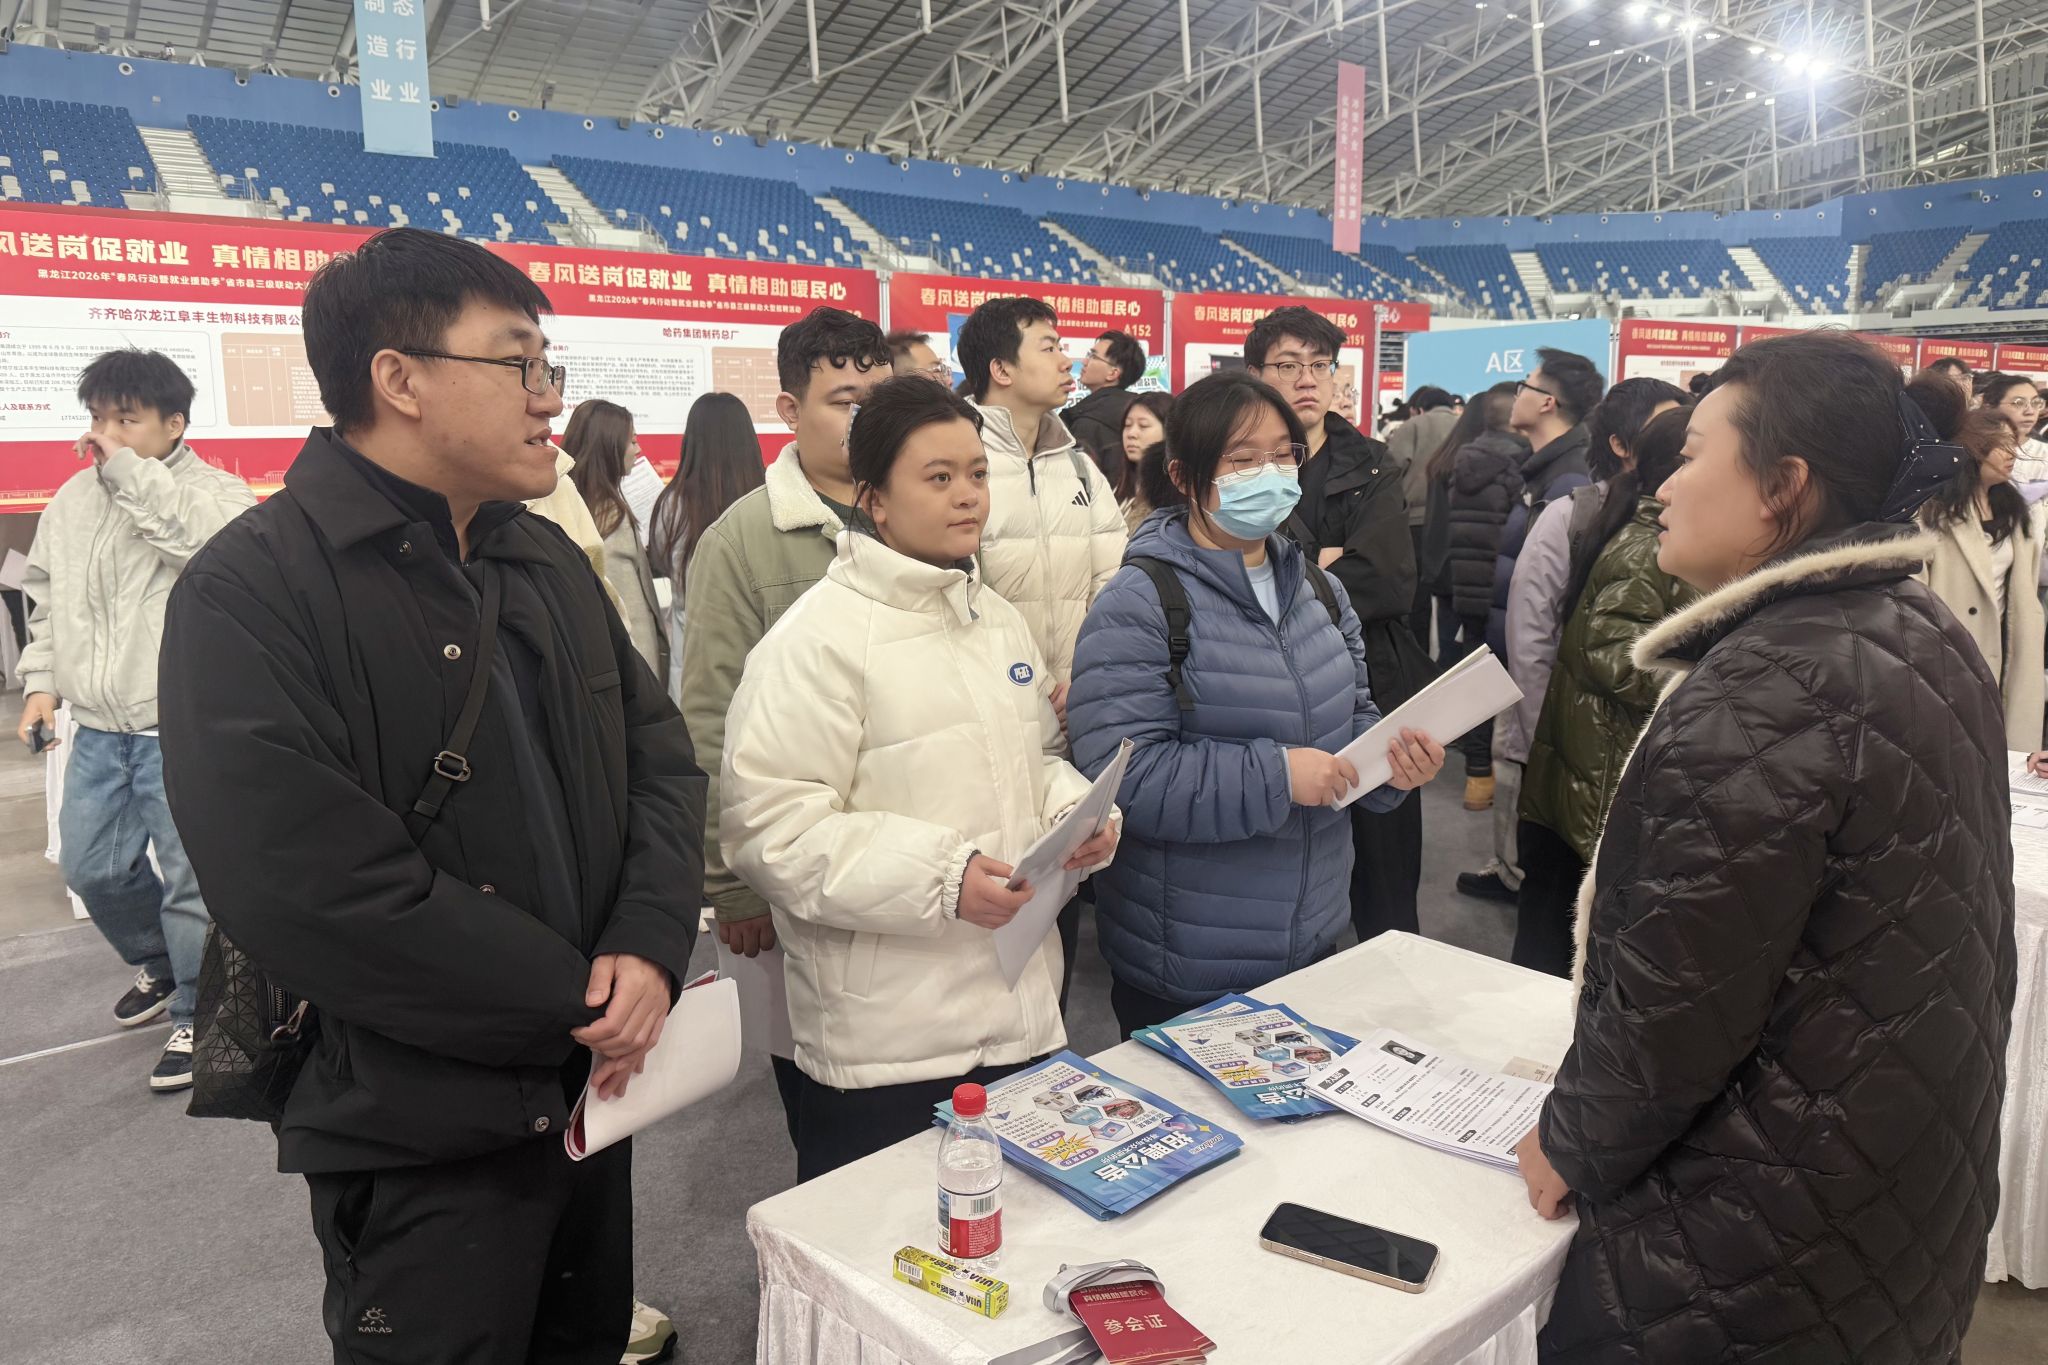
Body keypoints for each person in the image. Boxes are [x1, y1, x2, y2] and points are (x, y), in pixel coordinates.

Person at [156, 227, 704, 1365]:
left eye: (548, 363)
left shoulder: (541, 561)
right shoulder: (250, 589)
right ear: (398, 379)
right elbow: (304, 885)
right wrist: (576, 994)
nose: (549, 396)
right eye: (518, 362)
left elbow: (657, 759)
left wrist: (648, 946)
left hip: (593, 1089)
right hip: (420, 1132)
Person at [1516, 330, 2013, 1364]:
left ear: (1782, 487)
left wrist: (1574, 1138)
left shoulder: (1766, 690)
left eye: (1694, 456)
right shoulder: (1916, 628)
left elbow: (1679, 1000)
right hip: (1882, 1184)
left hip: (1751, 1235)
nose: (1663, 486)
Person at [720, 376, 1119, 1181]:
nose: (968, 495)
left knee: (1013, 1229)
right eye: (938, 477)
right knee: (887, 1241)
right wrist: (942, 878)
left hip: (1017, 1009)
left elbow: (1037, 756)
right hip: (886, 1047)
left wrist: (1076, 814)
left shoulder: (993, 617)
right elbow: (772, 831)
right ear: (874, 498)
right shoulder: (815, 642)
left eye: (977, 472)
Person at [1068, 370, 1443, 1038]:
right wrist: (1278, 776)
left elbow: (1353, 715)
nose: (1269, 474)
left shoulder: (1320, 590)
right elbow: (1123, 779)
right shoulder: (1141, 601)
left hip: (1313, 937)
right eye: (1242, 460)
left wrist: (1391, 767)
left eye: (1282, 454)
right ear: (1184, 476)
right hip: (1187, 958)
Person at [13, 348, 255, 1092]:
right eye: (97, 418)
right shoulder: (71, 500)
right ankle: (159, 962)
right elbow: (47, 602)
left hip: (179, 727)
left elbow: (207, 554)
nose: (104, 435)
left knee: (192, 882)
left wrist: (127, 473)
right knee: (92, 868)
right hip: (97, 729)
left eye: (126, 420)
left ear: (174, 424)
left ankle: (198, 1008)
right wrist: (41, 685)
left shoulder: (217, 494)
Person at [677, 307, 891, 1142]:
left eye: (879, 397)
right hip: (798, 869)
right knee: (827, 1104)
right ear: (789, 408)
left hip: (907, 859)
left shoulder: (916, 511)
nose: (866, 418)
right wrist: (729, 883)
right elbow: (710, 720)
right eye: (845, 401)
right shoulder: (741, 541)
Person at [958, 296, 1127, 1000]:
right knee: (987, 909)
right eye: (1050, 346)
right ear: (1000, 368)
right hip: (992, 723)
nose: (1068, 360)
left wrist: (1085, 677)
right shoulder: (962, 464)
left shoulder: (1077, 464)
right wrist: (1036, 686)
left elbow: (1116, 580)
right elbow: (962, 601)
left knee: (1056, 913)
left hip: (1077, 716)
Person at [1251, 306, 1434, 943]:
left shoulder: (1374, 464)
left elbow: (1388, 581)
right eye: (1287, 365)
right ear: (1256, 376)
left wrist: (1290, 571)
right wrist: (1329, 561)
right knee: (1288, 879)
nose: (1307, 379)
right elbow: (1232, 579)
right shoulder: (1242, 467)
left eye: (1319, 365)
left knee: (1385, 885)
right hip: (1268, 697)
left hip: (1371, 692)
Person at [1512, 407, 1695, 976]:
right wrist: (1708, 680)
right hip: (1595, 778)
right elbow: (1612, 655)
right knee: (1563, 951)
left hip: (1590, 773)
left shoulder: (1646, 535)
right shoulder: (1648, 548)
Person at [1458, 361, 1633, 904]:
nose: (1516, 395)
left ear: (1548, 401)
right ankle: (1513, 870)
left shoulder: (1569, 482)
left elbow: (1553, 600)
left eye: (1525, 386)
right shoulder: (1545, 469)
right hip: (1517, 657)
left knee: (1531, 786)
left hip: (1540, 673)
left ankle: (1521, 877)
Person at [1910, 373, 2044, 752]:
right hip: (1951, 654)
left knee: (2002, 749)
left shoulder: (2016, 513)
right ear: (1972, 451)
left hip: (2005, 648)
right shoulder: (1933, 514)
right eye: (2001, 446)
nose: (2012, 454)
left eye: (2013, 444)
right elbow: (1916, 594)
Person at [1430, 384, 1526, 807]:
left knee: (1472, 678)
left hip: (1463, 587)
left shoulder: (1460, 461)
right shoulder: (1518, 466)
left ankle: (1475, 773)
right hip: (1503, 591)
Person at [646, 392, 764, 700]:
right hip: (758, 650)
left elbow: (663, 562)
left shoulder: (671, 504)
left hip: (690, 655)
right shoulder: (765, 499)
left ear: (691, 441)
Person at [565, 399, 668, 682]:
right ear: (609, 446)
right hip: (633, 671)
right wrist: (647, 684)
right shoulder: (612, 518)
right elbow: (631, 613)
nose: (638, 449)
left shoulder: (574, 505)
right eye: (632, 441)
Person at [1386, 385, 1459, 647]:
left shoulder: (1413, 426)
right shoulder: (1464, 426)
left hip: (1415, 522)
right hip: (1454, 522)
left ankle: (1420, 655)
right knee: (1450, 595)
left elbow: (1392, 468)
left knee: (1417, 595)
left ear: (1418, 408)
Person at [1065, 329, 1147, 480]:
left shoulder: (1086, 420)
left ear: (1113, 373)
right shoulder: (1141, 412)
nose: (1084, 361)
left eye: (1093, 356)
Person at [1115, 391, 1174, 532]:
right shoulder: (1114, 488)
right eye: (1127, 425)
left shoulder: (1176, 499)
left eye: (1143, 426)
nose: (1131, 434)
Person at [1982, 372, 2048, 483]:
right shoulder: (1970, 450)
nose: (2030, 411)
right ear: (1989, 407)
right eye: (2018, 403)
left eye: (2036, 402)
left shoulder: (2044, 454)